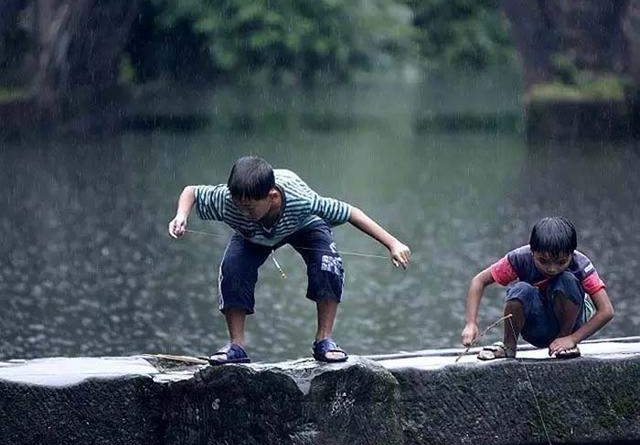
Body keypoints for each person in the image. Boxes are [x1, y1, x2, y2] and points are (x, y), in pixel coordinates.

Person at [169, 156, 411, 365]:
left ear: (272, 197)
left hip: (303, 224)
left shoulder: (302, 201)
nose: (243, 211)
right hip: (253, 235)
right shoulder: (228, 200)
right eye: (238, 205)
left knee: (328, 264)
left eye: (250, 207)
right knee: (233, 268)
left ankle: (324, 340)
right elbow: (191, 191)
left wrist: (392, 243)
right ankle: (236, 347)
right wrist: (181, 216)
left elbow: (351, 213)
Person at [461, 216, 614, 360]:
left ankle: (565, 344)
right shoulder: (520, 258)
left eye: (561, 262)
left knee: (566, 280)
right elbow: (479, 281)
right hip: (536, 327)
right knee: (521, 289)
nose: (552, 269)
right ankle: (508, 347)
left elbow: (606, 311)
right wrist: (471, 323)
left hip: (570, 327)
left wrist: (573, 338)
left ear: (571, 254)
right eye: (543, 261)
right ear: (532, 251)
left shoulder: (580, 264)